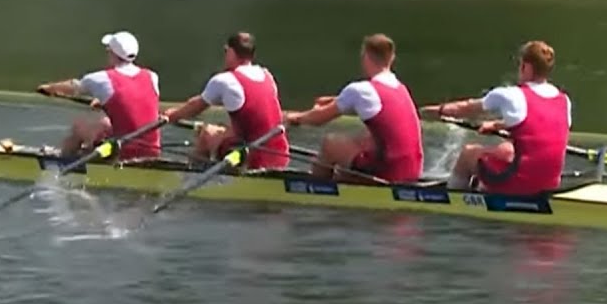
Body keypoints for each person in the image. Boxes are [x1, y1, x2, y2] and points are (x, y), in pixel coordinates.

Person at [421, 41, 571, 194]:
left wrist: (439, 110)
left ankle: (452, 199)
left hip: (519, 182)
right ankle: (484, 186)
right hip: (551, 182)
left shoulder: (512, 94)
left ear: (526, 67)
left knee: (469, 153)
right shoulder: (564, 100)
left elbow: (467, 108)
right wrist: (496, 125)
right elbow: (539, 124)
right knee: (505, 149)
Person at [284, 34, 423, 183]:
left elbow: (317, 119)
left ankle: (311, 190)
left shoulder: (360, 90)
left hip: (389, 171)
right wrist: (336, 100)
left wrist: (292, 117)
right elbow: (366, 103)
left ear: (365, 57)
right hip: (413, 169)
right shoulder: (400, 88)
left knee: (330, 143)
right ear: (392, 58)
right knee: (362, 139)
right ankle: (345, 181)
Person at [163, 32, 290, 170]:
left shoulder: (225, 80)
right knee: (220, 130)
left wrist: (171, 116)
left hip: (252, 158)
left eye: (225, 51)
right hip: (281, 155)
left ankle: (192, 176)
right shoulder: (267, 75)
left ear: (231, 52)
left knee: (206, 133)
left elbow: (196, 106)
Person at [36, 31, 161, 160]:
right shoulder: (152, 76)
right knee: (104, 123)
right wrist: (103, 102)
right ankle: (87, 152)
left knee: (79, 126)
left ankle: (60, 161)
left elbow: (73, 87)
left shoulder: (102, 78)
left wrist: (49, 88)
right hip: (153, 151)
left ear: (112, 53)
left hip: (124, 152)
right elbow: (133, 100)